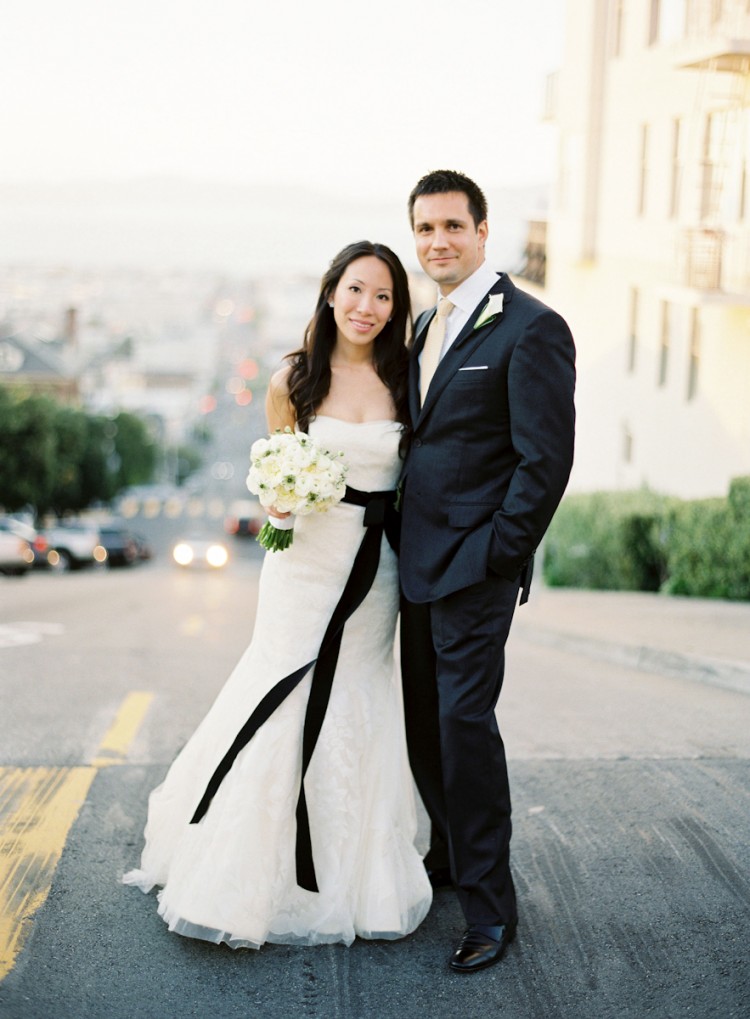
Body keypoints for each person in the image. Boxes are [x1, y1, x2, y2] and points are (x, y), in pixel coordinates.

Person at [123, 240, 432, 949]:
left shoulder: (406, 376)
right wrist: (283, 502)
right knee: (282, 687)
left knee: (358, 689)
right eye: (356, 290)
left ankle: (357, 871)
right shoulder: (292, 378)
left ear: (396, 308)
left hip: (377, 566)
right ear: (330, 294)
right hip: (304, 568)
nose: (367, 307)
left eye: (383, 296)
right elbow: (275, 473)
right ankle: (247, 873)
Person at [398, 170, 576, 973]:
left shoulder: (531, 327)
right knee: (422, 729)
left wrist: (497, 555)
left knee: (465, 732)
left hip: (474, 572)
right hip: (410, 571)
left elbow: (545, 461)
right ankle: (444, 859)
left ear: (481, 232)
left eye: (452, 227)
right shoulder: (423, 326)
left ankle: (490, 910)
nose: (439, 241)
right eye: (426, 229)